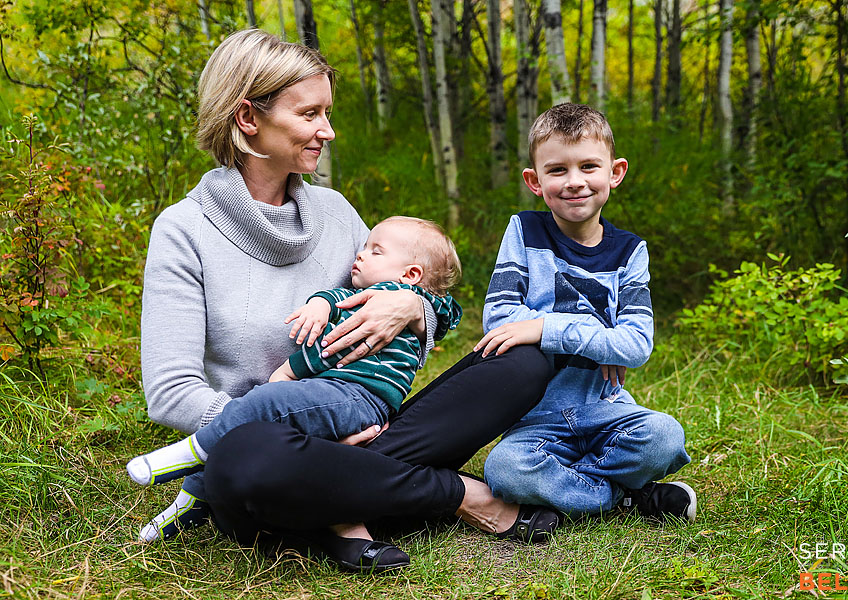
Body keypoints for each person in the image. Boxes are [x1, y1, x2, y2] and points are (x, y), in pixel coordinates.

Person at [138, 28, 557, 573]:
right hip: (267, 445)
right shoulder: (184, 231)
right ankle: (455, 495)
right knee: (248, 462)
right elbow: (170, 394)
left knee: (521, 362)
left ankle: (340, 499)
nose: (327, 132)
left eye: (326, 113)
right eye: (310, 114)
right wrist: (305, 429)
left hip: (364, 422)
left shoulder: (335, 213)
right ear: (248, 119)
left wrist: (415, 308)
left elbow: (416, 289)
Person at [129, 216, 462, 542]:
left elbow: (336, 344)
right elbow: (337, 299)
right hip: (342, 396)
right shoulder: (377, 293)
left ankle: (191, 452)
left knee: (271, 401)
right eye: (364, 246)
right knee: (269, 420)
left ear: (411, 274)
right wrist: (319, 302)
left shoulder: (388, 295)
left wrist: (288, 373)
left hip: (357, 397)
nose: (360, 254)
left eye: (375, 251)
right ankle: (193, 497)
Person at [476, 103, 696, 521]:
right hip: (535, 417)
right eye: (557, 170)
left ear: (615, 172)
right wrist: (600, 339)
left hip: (607, 408)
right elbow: (500, 320)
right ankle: (624, 499)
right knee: (504, 471)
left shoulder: (630, 251)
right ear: (534, 181)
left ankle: (569, 494)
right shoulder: (524, 230)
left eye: (589, 167)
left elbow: (636, 344)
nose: (575, 182)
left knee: (665, 436)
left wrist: (541, 326)